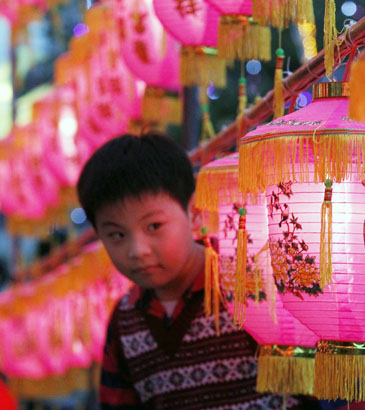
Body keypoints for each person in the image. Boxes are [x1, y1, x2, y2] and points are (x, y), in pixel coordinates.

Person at [77, 133, 318, 409]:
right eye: (117, 235)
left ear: (194, 213)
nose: (137, 250)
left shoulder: (249, 287)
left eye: (154, 226)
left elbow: (320, 392)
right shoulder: (125, 321)